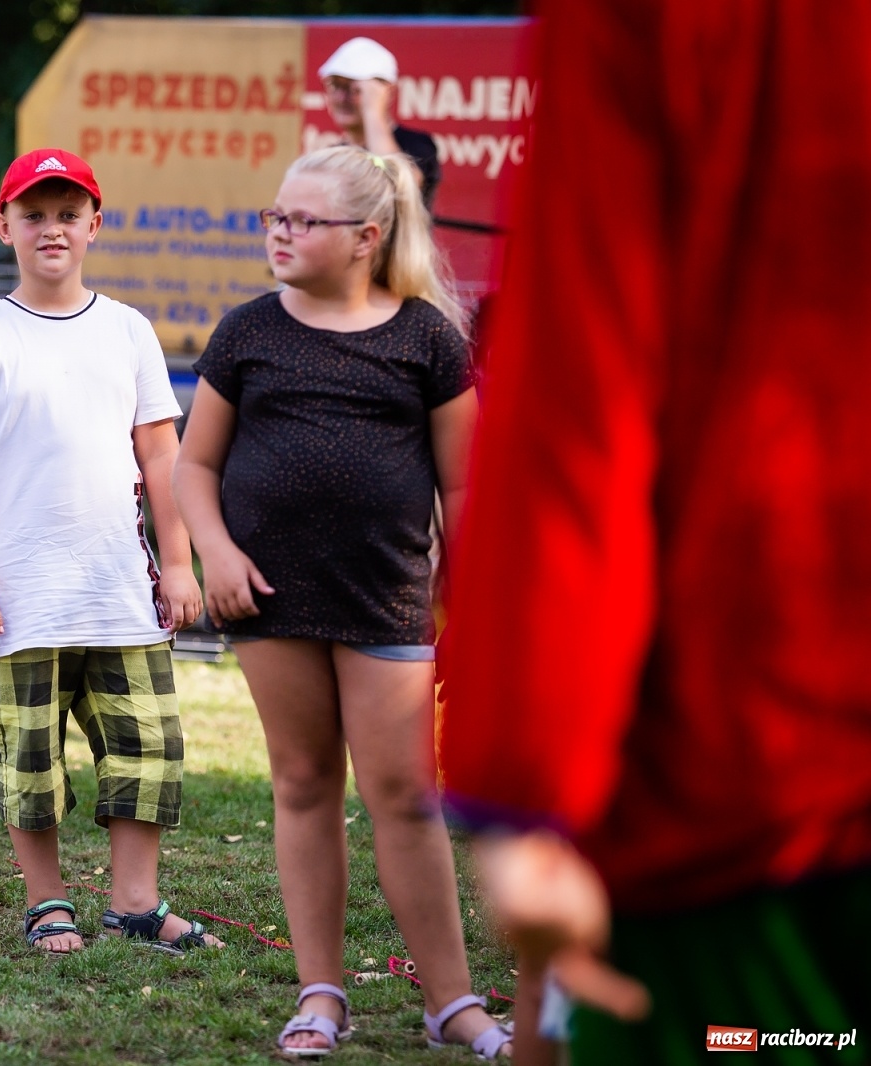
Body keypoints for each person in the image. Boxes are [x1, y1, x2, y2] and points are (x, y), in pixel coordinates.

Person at [441, 1, 871, 1063]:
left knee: (760, 1037)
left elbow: (584, 379)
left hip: (756, 776)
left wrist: (528, 779)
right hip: (774, 758)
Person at [172, 145, 504, 1058]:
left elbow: (465, 484)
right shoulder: (247, 332)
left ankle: (454, 1004)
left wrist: (462, 581)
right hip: (268, 599)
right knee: (305, 783)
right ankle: (320, 993)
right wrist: (217, 556)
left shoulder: (429, 336)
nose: (279, 232)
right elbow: (193, 466)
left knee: (402, 792)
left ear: (366, 237)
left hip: (385, 596)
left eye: (301, 220)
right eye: (273, 217)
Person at [0, 148, 217, 957]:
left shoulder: (128, 329)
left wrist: (179, 561)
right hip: (18, 593)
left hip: (118, 587)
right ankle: (46, 901)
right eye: (34, 214)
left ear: (96, 222)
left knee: (146, 746)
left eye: (67, 213)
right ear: (3, 227)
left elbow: (163, 455)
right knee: (30, 756)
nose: (51, 228)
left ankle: (135, 903)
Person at [314, 37, 441, 210]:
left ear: (387, 92)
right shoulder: (331, 156)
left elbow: (400, 191)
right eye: (335, 86)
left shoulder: (416, 145)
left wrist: (372, 111)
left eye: (354, 89)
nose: (342, 98)